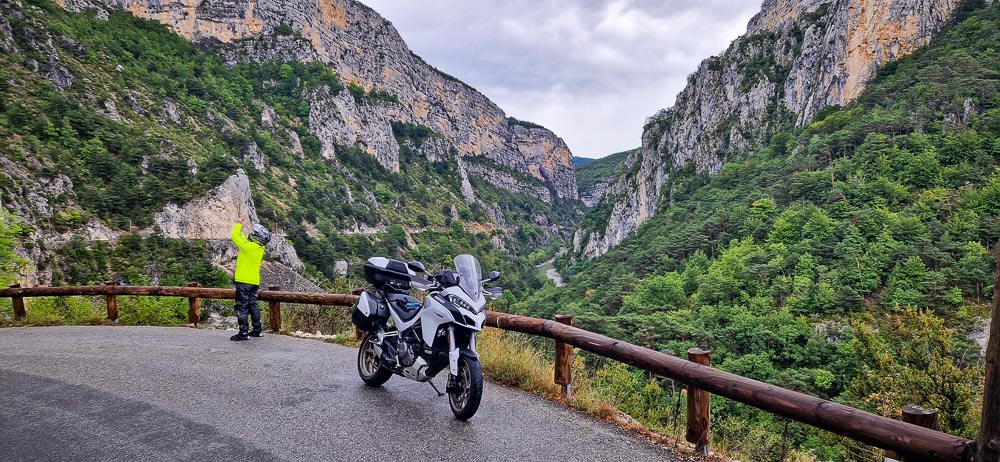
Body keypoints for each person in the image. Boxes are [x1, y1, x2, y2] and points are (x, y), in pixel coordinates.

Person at [230, 218, 270, 341]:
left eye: (254, 233)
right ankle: (257, 330)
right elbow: (242, 240)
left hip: (244, 281)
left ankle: (243, 333)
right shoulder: (256, 247)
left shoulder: (249, 247)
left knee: (242, 306)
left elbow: (235, 236)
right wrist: (241, 230)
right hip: (254, 282)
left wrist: (238, 224)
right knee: (253, 305)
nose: (252, 234)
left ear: (257, 237)